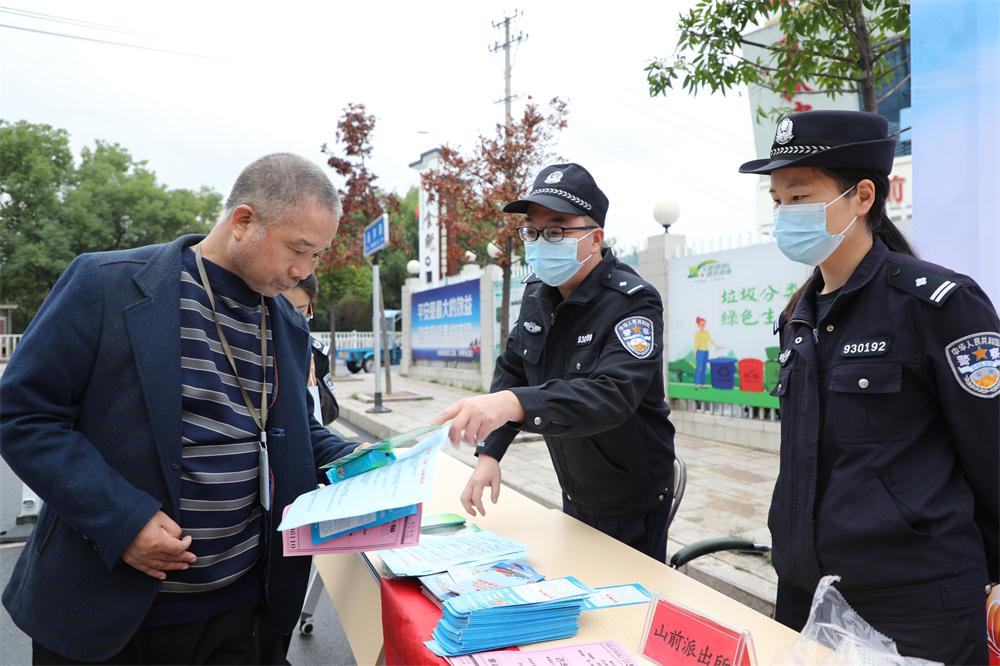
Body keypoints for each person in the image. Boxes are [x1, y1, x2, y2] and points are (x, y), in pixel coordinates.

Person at [0, 153, 364, 664]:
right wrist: (121, 520)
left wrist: (361, 459)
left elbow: (292, 428)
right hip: (109, 617)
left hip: (241, 611)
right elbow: (23, 414)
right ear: (243, 221)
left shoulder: (286, 320)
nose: (302, 271)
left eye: (316, 255)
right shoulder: (107, 285)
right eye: (298, 249)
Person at [739, 110, 998, 664]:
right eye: (779, 201)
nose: (785, 214)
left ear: (861, 197)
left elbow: (993, 452)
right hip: (806, 593)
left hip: (916, 603)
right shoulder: (798, 316)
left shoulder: (938, 305)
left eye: (801, 196)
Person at [433, 163, 676, 562]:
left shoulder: (633, 301)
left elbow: (611, 395)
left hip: (632, 496)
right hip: (574, 481)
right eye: (533, 231)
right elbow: (514, 367)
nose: (543, 241)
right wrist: (490, 453)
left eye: (558, 229)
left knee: (622, 603)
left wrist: (514, 404)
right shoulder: (538, 292)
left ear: (595, 238)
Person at [281, 274, 340, 425]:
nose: (293, 318)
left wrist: (313, 385)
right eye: (285, 310)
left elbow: (330, 413)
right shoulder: (258, 346)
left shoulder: (316, 353)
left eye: (300, 310)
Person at [693, 316, 719, 388]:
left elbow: (710, 340)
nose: (703, 326)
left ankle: (702, 384)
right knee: (698, 367)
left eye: (704, 324)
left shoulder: (706, 332)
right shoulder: (697, 333)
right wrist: (695, 352)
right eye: (702, 324)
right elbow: (696, 343)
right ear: (699, 324)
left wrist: (716, 345)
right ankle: (696, 384)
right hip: (700, 351)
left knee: (704, 367)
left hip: (706, 351)